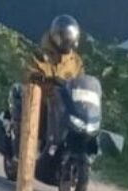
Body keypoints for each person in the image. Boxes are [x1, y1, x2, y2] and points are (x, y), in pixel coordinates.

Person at [24, 15, 84, 151]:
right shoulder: (40, 54)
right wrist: (42, 78)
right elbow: (28, 74)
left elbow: (81, 80)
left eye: (71, 39)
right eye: (65, 38)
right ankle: (33, 147)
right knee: (40, 112)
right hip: (43, 100)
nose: (68, 42)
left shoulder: (75, 61)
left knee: (79, 120)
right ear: (57, 36)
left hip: (66, 104)